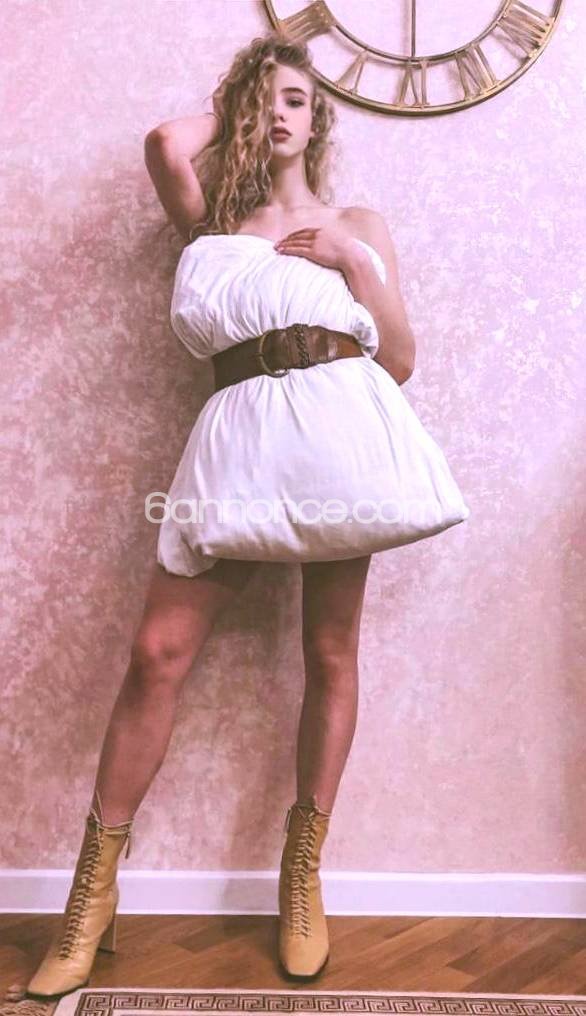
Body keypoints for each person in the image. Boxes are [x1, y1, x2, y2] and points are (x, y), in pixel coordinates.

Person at [24, 31, 470, 999]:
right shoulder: (210, 216)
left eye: (297, 100)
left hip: (341, 426)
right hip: (238, 433)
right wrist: (245, 99)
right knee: (157, 653)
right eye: (264, 99)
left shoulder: (357, 221)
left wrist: (351, 259)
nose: (279, 113)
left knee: (331, 652)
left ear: (320, 121)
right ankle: (91, 896)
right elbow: (163, 140)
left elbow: (399, 358)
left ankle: (302, 875)